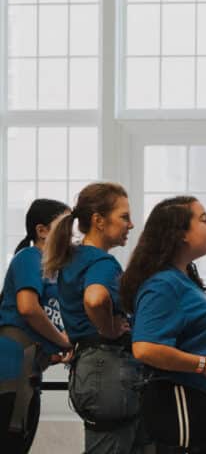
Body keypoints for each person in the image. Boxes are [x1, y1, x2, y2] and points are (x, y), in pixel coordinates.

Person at [121, 196, 206, 454]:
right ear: (179, 234)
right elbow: (145, 348)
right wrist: (204, 364)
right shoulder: (163, 285)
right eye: (204, 220)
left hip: (203, 399)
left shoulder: (184, 277)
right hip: (180, 398)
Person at [43, 182, 150, 453]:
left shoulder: (75, 257)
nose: (131, 224)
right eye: (124, 217)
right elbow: (95, 298)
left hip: (92, 369)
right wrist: (110, 328)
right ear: (99, 221)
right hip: (107, 367)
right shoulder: (101, 262)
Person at [0, 199, 72, 453]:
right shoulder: (30, 257)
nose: (71, 234)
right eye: (65, 227)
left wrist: (53, 351)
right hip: (11, 373)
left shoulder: (52, 270)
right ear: (42, 231)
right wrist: (63, 341)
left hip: (29, 371)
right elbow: (28, 308)